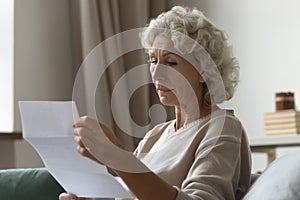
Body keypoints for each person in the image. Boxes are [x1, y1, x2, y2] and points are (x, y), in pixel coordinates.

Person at [59, 5, 251, 200]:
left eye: (171, 62)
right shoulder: (155, 136)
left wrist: (118, 156)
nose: (157, 73)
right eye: (153, 60)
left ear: (204, 70)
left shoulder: (222, 128)